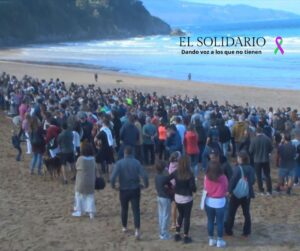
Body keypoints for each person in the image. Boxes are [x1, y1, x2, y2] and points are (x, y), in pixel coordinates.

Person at [110, 146, 149, 240]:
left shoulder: (119, 163)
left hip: (123, 189)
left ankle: (124, 226)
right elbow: (144, 176)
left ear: (124, 153)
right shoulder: (136, 162)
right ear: (132, 153)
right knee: (136, 210)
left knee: (124, 208)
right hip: (135, 188)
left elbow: (112, 178)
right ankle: (137, 230)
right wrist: (145, 185)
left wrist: (113, 186)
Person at [225, 151, 256, 237]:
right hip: (247, 194)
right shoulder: (251, 168)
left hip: (236, 194)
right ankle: (247, 231)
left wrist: (229, 191)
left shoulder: (237, 169)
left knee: (231, 212)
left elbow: (233, 181)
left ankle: (229, 230)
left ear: (241, 159)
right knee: (246, 213)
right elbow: (253, 181)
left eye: (238, 157)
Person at [168, 156, 196, 244]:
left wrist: (171, 188)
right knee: (187, 217)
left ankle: (177, 234)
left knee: (180, 215)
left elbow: (167, 179)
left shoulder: (176, 172)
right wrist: (194, 187)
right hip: (187, 198)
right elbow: (193, 188)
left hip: (177, 198)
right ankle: (186, 236)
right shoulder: (190, 174)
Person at [204, 161, 228, 248]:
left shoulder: (206, 177)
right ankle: (219, 240)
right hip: (220, 202)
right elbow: (226, 189)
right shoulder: (223, 177)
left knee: (210, 221)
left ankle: (211, 239)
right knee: (220, 222)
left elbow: (205, 188)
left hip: (209, 201)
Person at [72, 143, 96, 219]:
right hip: (91, 181)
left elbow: (76, 167)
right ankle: (91, 212)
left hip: (81, 181)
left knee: (78, 195)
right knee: (90, 196)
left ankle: (78, 211)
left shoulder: (80, 159)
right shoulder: (93, 159)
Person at [249, 126, 273, 195]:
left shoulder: (254, 140)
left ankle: (261, 190)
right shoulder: (267, 139)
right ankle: (269, 190)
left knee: (258, 176)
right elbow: (271, 149)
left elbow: (250, 151)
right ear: (262, 132)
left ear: (256, 132)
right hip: (266, 159)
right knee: (267, 175)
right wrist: (267, 152)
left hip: (257, 160)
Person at [155, 161, 172, 240]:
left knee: (161, 215)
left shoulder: (156, 176)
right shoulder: (165, 178)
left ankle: (161, 231)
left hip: (159, 197)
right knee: (165, 216)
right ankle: (164, 233)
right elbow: (170, 186)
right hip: (165, 198)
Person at [168, 151, 181, 230]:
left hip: (171, 188)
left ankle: (173, 223)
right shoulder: (178, 167)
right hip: (177, 188)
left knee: (174, 206)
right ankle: (177, 222)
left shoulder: (170, 165)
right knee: (178, 207)